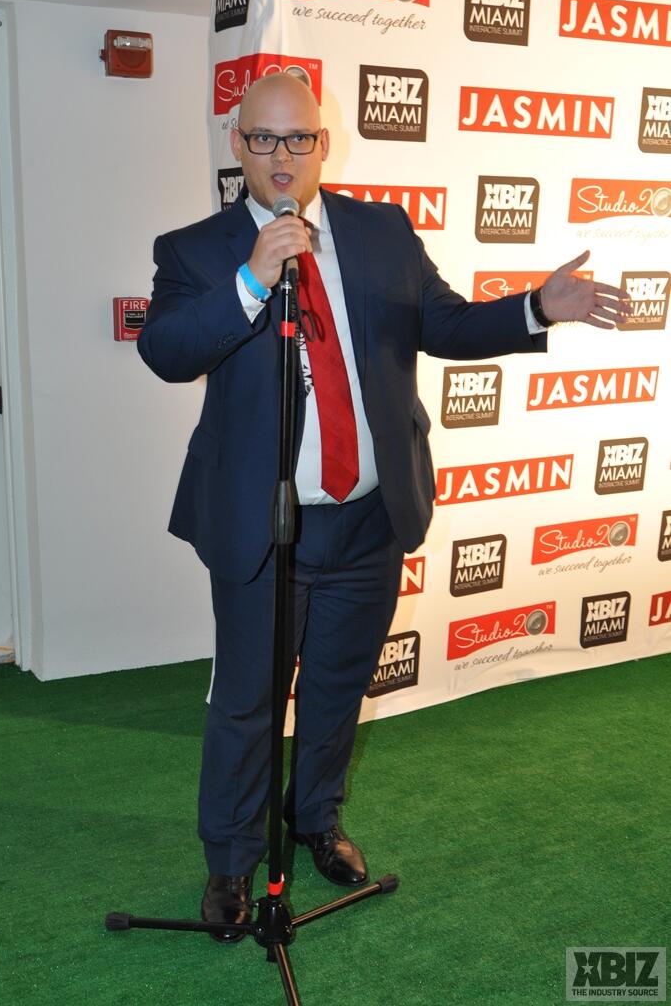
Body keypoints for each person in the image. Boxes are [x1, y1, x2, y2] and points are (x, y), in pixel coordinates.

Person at [137, 72, 629, 942]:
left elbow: (444, 326)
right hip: (261, 527)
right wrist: (251, 279)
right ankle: (231, 861)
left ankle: (315, 820)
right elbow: (168, 351)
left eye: (298, 138)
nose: (282, 157)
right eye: (263, 139)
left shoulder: (380, 231)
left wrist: (533, 308)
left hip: (368, 516)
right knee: (248, 702)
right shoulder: (195, 250)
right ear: (237, 145)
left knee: (335, 688)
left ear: (323, 144)